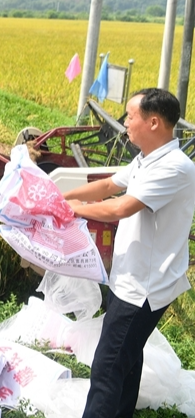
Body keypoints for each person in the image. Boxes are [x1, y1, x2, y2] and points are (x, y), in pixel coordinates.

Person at [64, 88, 195, 418]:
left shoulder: (175, 168)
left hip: (143, 288)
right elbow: (109, 185)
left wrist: (77, 209)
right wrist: (59, 196)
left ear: (153, 122)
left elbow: (121, 207)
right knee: (126, 359)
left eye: (129, 116)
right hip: (129, 279)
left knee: (106, 370)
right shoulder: (147, 159)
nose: (124, 123)